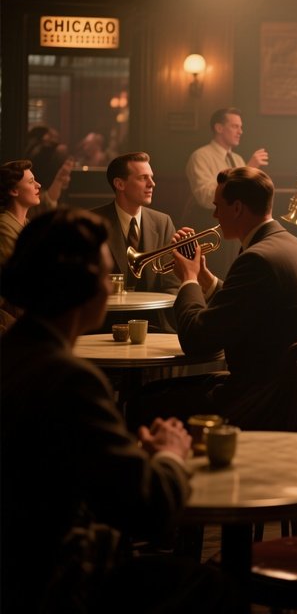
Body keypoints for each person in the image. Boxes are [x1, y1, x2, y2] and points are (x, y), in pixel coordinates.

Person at [0, 208, 242, 613]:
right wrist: (169, 453)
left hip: (15, 568)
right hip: (53, 582)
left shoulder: (13, 353)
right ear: (84, 287)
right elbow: (150, 510)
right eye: (105, 274)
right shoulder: (70, 379)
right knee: (216, 586)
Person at [126, 166, 297, 431]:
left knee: (144, 400)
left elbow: (196, 340)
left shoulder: (257, 259)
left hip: (264, 399)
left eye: (217, 206)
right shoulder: (295, 246)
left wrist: (187, 278)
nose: (214, 215)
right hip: (295, 391)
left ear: (236, 209)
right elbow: (243, 305)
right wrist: (203, 276)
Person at [92, 152, 180, 332]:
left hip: (154, 326)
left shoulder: (163, 222)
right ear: (119, 184)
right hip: (104, 327)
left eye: (152, 177)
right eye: (143, 178)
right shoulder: (93, 222)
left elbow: (171, 284)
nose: (152, 184)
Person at [184, 107, 269, 278]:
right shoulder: (200, 156)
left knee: (231, 276)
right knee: (211, 277)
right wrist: (249, 169)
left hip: (235, 229)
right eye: (235, 126)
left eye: (241, 127)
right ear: (219, 128)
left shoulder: (237, 159)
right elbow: (205, 197)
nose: (240, 131)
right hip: (208, 226)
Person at [0, 159, 42, 266]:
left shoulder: (27, 224)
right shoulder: (4, 227)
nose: (38, 185)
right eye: (31, 181)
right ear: (14, 191)